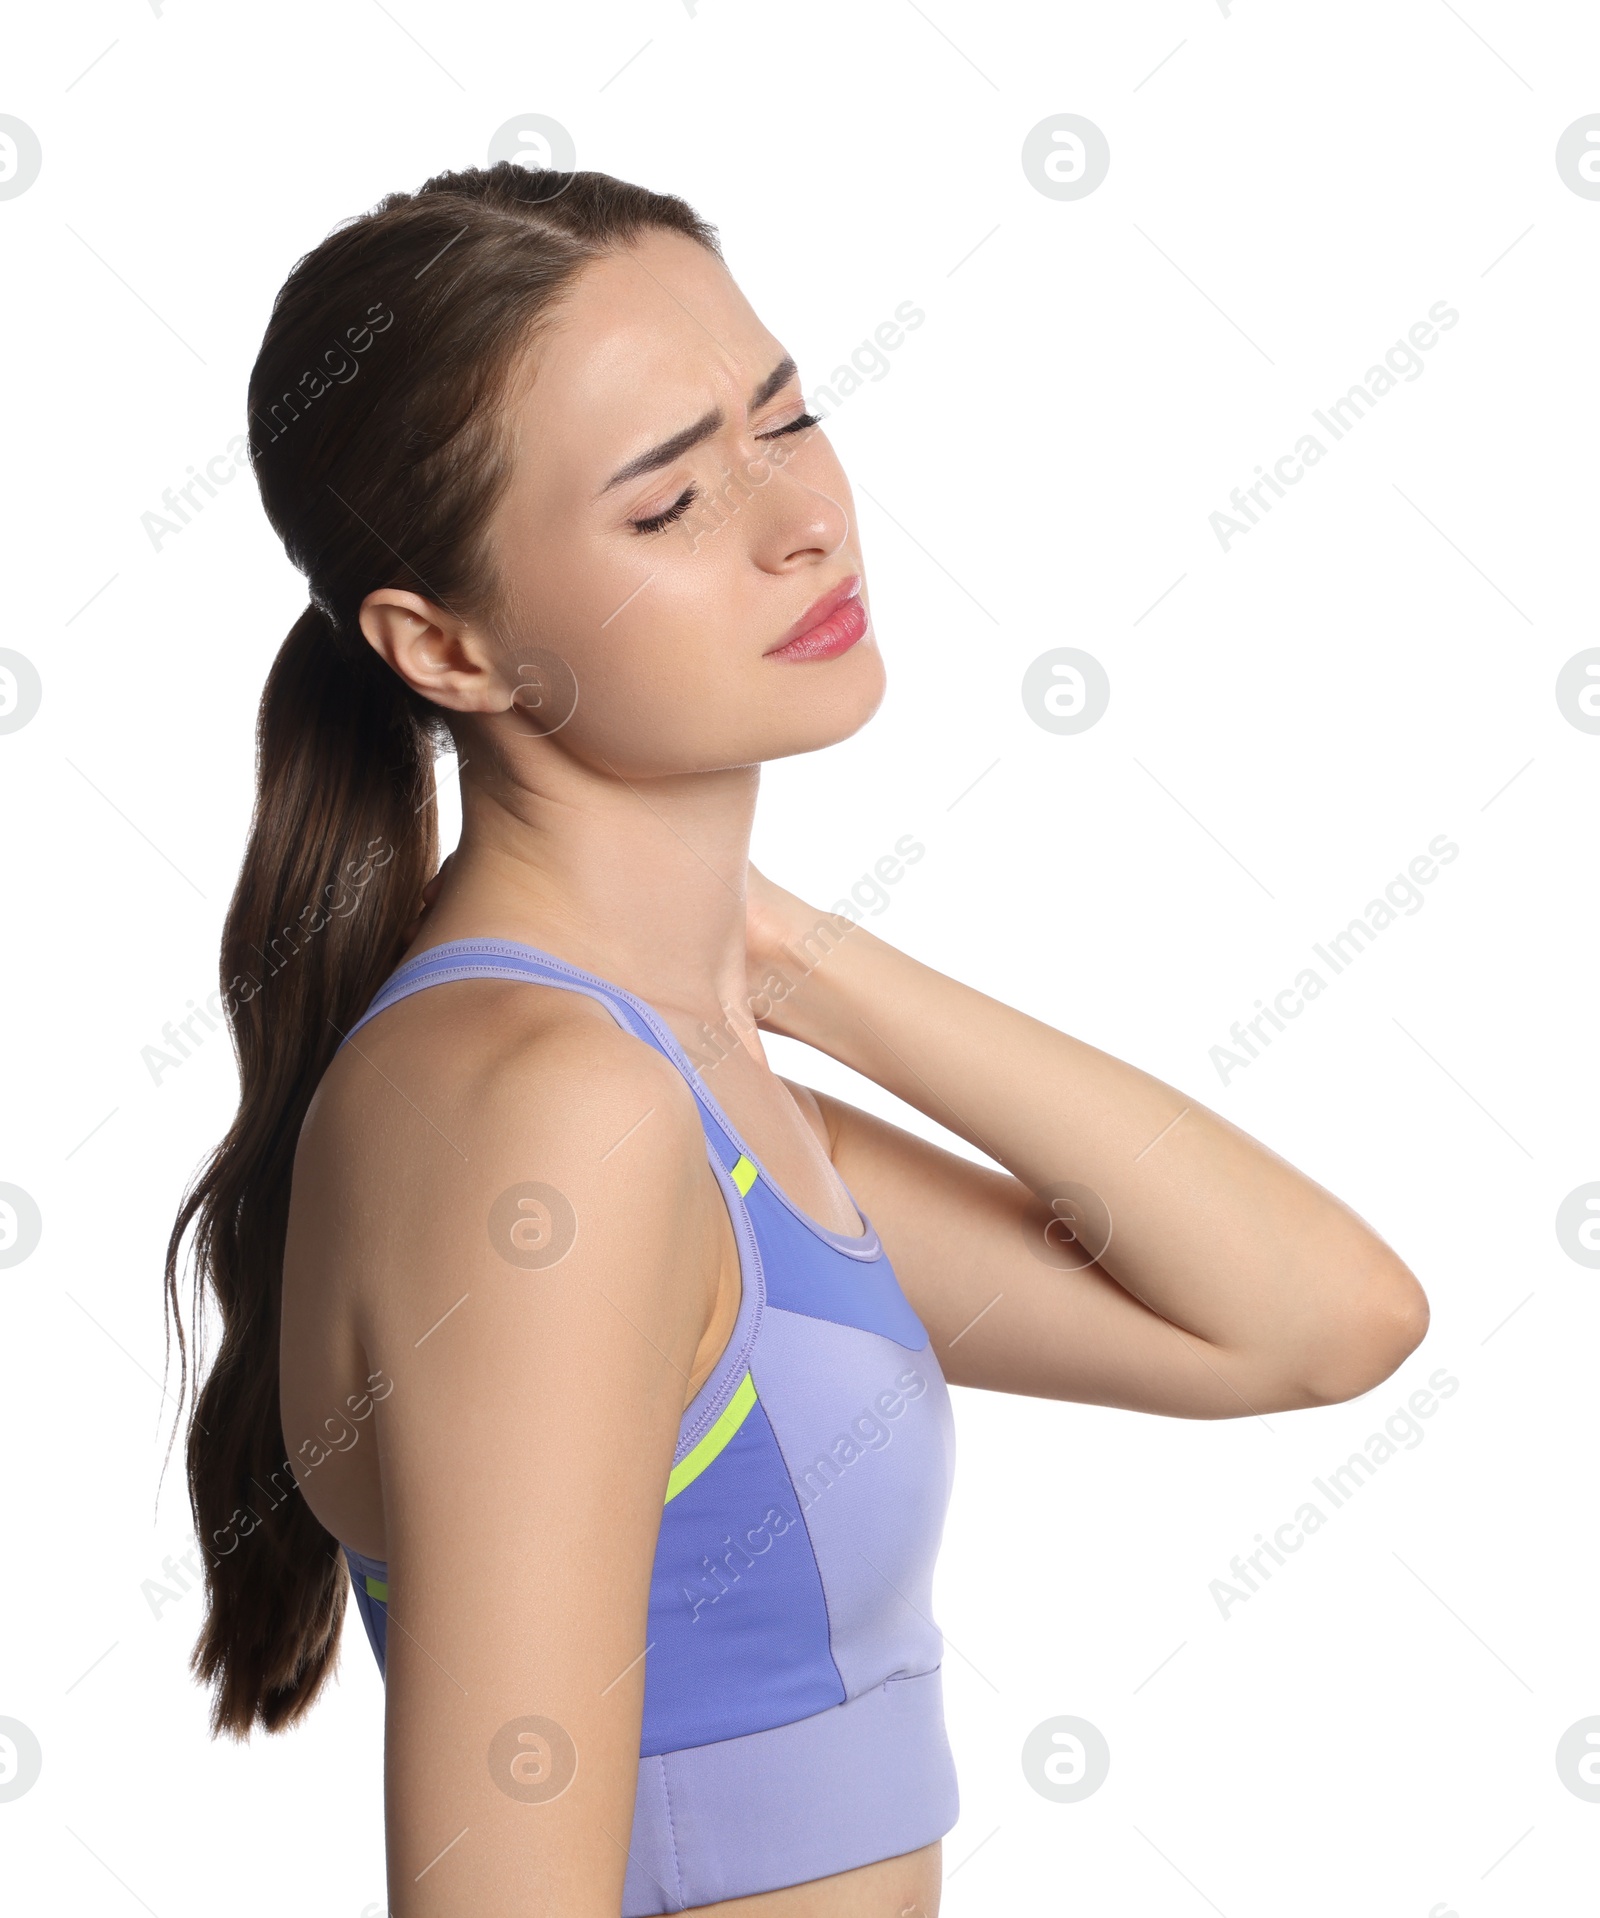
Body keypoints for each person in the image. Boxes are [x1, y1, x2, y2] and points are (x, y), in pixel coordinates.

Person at [163, 164, 1428, 1917]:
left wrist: (777, 954)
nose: (802, 521)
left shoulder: (666, 1071)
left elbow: (1314, 1322)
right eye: (670, 500)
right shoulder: (557, 1116)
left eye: (789, 419)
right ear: (444, 644)